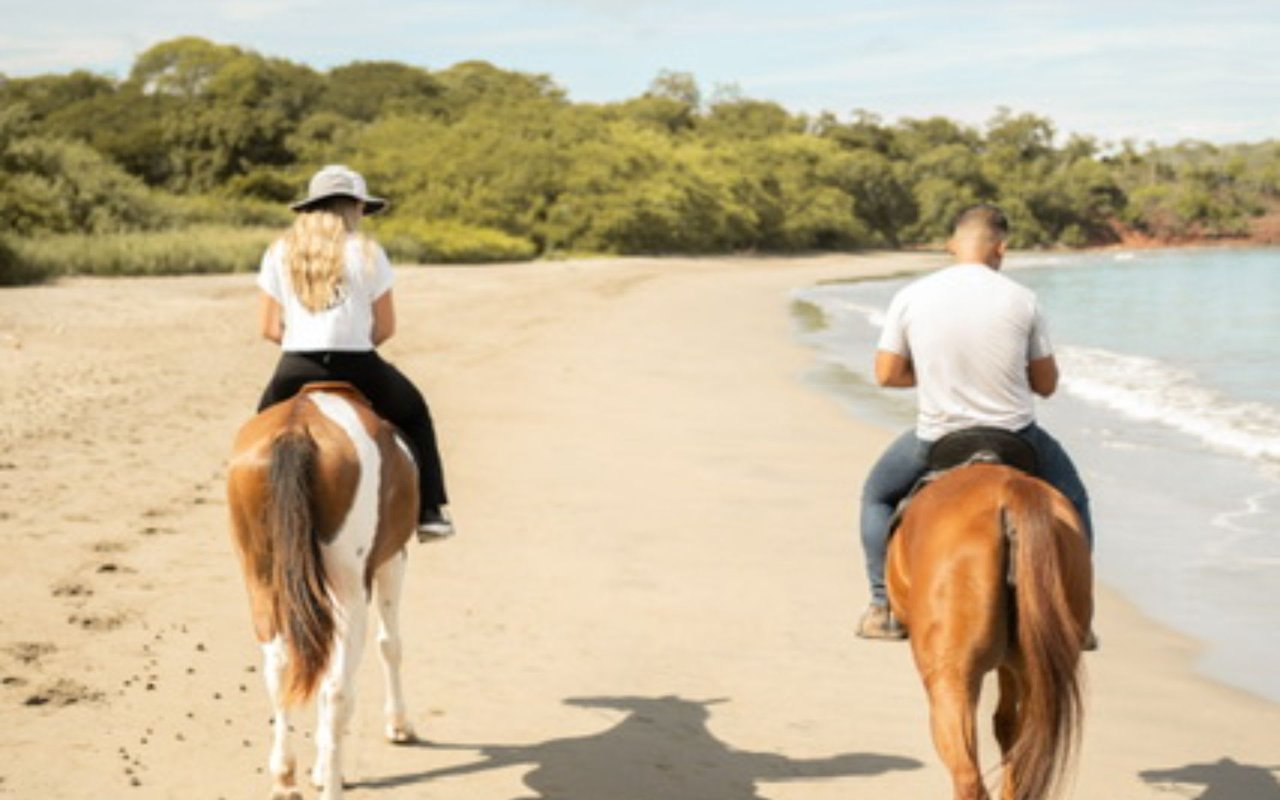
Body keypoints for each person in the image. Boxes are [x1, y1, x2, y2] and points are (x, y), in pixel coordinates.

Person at [856, 204, 1091, 639]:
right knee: (1074, 500)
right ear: (1001, 248)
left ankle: (881, 605)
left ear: (950, 244)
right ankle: (1079, 615)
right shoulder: (1022, 298)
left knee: (877, 497)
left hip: (938, 438)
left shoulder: (910, 295)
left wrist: (939, 376)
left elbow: (887, 374)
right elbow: (1046, 384)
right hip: (1017, 437)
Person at [255, 164, 454, 540]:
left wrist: (306, 345)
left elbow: (268, 328)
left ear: (311, 207)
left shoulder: (279, 252)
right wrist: (348, 343)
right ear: (353, 208)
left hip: (295, 365)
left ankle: (257, 515)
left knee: (257, 431)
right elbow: (385, 328)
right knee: (415, 413)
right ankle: (430, 511)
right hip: (358, 365)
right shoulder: (368, 252)